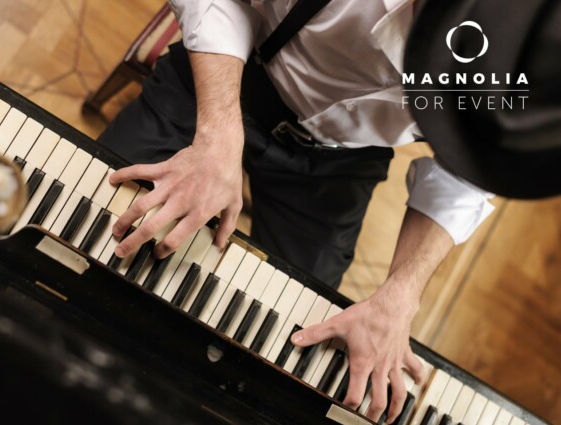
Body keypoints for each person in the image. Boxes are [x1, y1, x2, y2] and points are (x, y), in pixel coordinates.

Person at [97, 0, 561, 422]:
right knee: (103, 235)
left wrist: (403, 291)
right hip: (231, 75)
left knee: (285, 340)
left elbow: (465, 174)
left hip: (342, 160)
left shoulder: (536, 64)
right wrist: (219, 133)